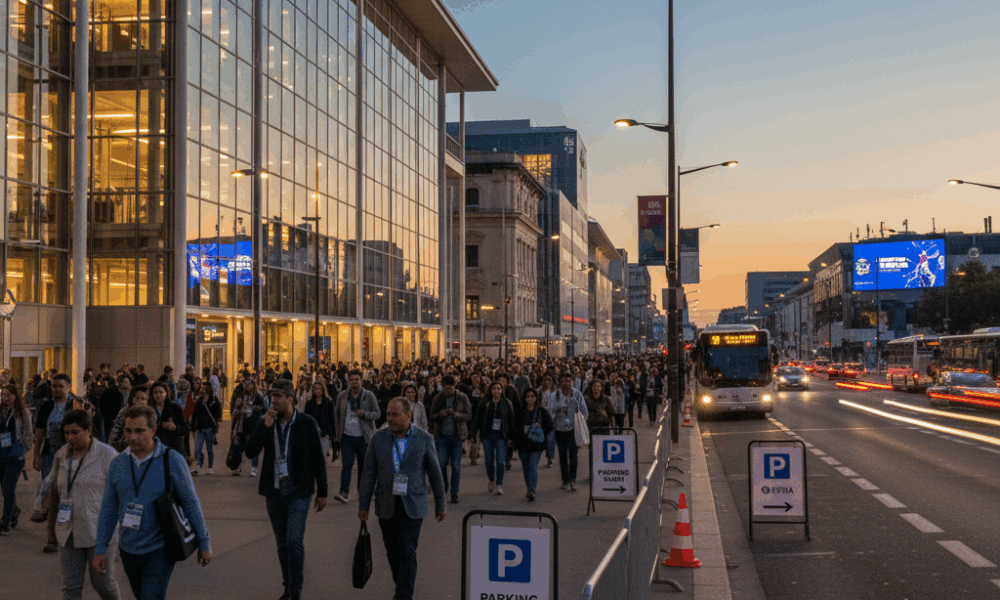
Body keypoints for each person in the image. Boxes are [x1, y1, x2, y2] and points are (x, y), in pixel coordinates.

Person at [93, 405, 212, 600]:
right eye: (128, 430)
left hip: (160, 548)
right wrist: (100, 549)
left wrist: (204, 542)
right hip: (128, 549)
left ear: (153, 430)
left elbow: (191, 502)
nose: (132, 437)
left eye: (139, 431)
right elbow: (109, 509)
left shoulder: (171, 460)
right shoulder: (118, 463)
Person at [245, 379, 327, 600]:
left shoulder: (306, 423)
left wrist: (323, 492)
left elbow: (318, 458)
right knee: (282, 543)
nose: (273, 400)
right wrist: (264, 426)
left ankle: (296, 587)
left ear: (290, 399)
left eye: (278, 396)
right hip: (274, 492)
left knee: (293, 540)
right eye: (272, 396)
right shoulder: (267, 422)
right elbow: (250, 451)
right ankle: (288, 586)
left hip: (298, 491)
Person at [358, 398, 446, 600]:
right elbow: (369, 473)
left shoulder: (424, 439)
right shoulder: (378, 438)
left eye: (395, 414)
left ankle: (404, 595)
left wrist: (441, 504)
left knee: (407, 549)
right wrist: (364, 504)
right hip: (386, 504)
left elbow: (435, 474)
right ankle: (403, 585)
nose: (390, 418)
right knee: (392, 551)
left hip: (413, 505)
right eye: (388, 414)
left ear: (408, 415)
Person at [48, 409, 121, 600]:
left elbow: (121, 494)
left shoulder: (108, 455)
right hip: (67, 530)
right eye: (66, 433)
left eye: (75, 432)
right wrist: (50, 528)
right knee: (71, 586)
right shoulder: (61, 456)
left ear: (89, 430)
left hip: (99, 531)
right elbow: (56, 492)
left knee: (102, 583)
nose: (70, 438)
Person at [332, 369, 380, 503]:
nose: (354, 382)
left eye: (356, 379)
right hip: (347, 436)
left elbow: (377, 413)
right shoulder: (342, 396)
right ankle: (344, 492)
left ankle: (362, 491)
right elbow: (336, 415)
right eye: (351, 380)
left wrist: (365, 414)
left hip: (363, 437)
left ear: (361, 380)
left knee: (363, 466)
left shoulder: (369, 396)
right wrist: (337, 435)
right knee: (347, 464)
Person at [428, 375, 471, 504]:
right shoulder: (438, 398)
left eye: (451, 387)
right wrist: (440, 415)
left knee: (456, 467)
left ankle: (454, 492)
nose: (449, 390)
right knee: (441, 465)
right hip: (442, 436)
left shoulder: (462, 397)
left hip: (456, 436)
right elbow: (432, 415)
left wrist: (455, 414)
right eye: (446, 388)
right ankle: (444, 488)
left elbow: (468, 415)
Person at [546, 372, 588, 491]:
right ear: (560, 382)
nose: (567, 383)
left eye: (569, 381)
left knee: (573, 455)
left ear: (572, 382)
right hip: (559, 429)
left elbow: (584, 412)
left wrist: (579, 419)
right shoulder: (554, 396)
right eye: (564, 381)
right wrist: (558, 410)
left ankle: (573, 480)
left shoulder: (577, 394)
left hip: (573, 430)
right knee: (563, 455)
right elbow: (549, 412)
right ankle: (565, 480)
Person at [471, 382, 515, 496]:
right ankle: (491, 479)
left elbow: (511, 421)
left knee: (500, 462)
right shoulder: (485, 403)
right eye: (494, 388)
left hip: (501, 436)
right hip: (488, 435)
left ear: (502, 391)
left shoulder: (506, 403)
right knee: (489, 460)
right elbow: (477, 418)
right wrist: (473, 434)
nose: (496, 391)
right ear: (490, 390)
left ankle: (499, 484)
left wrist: (511, 437)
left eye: (499, 389)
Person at [0, 383, 33, 535]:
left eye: (8, 395)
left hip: (15, 455)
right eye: (3, 395)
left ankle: (6, 521)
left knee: (9, 487)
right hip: (1, 454)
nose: (5, 398)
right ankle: (14, 510)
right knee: (4, 489)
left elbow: (28, 433)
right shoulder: (1, 411)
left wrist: (23, 449)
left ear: (15, 396)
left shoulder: (22, 412)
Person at [513, 388, 553, 502]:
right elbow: (515, 427)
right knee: (526, 467)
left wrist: (541, 428)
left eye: (532, 396)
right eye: (527, 396)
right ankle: (529, 488)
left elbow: (550, 425)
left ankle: (532, 489)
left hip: (536, 444)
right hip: (523, 444)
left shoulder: (541, 412)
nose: (530, 399)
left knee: (532, 465)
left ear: (536, 398)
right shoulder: (520, 412)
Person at [231, 377, 270, 476]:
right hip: (242, 426)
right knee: (239, 447)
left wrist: (252, 407)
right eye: (245, 384)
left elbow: (263, 408)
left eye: (249, 385)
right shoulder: (241, 395)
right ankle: (237, 467)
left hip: (253, 426)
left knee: (253, 447)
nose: (247, 387)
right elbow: (235, 410)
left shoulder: (258, 396)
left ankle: (253, 468)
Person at [190, 380, 222, 476]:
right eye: (201, 389)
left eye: (203, 388)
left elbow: (218, 415)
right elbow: (195, 414)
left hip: (210, 429)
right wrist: (193, 426)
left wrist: (215, 429)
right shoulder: (199, 401)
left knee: (209, 449)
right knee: (197, 449)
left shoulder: (214, 401)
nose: (202, 390)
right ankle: (199, 464)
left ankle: (210, 467)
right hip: (200, 428)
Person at [148, 382, 186, 455]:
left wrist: (175, 428)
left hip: (174, 451)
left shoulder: (175, 408)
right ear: (152, 395)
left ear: (166, 393)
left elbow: (185, 431)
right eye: (155, 392)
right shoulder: (148, 410)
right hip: (155, 452)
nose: (158, 395)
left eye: (161, 392)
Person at [107, 387, 150, 452]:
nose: (140, 401)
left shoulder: (148, 414)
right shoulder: (125, 412)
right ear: (132, 399)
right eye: (137, 398)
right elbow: (115, 434)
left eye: (143, 399)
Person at [302, 381, 337, 461]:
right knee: (313, 458)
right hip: (312, 434)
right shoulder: (309, 403)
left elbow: (331, 418)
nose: (317, 391)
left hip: (325, 434)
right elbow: (306, 420)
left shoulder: (328, 402)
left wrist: (332, 435)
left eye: (319, 389)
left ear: (323, 390)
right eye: (315, 389)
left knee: (321, 458)